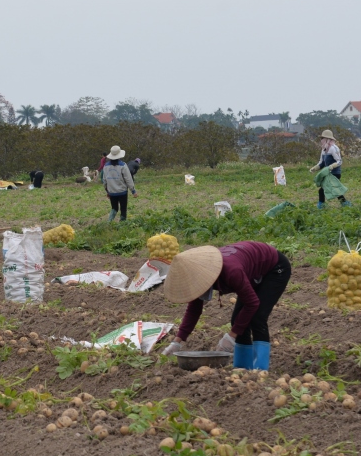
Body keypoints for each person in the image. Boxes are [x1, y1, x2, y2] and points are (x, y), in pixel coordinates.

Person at [160, 242, 292, 371]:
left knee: (257, 317)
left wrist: (231, 337)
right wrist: (177, 342)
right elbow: (194, 310)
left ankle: (260, 370)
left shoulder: (231, 272)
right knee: (237, 320)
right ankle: (242, 367)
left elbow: (252, 303)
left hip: (275, 268)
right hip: (251, 270)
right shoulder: (199, 278)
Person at [309, 130, 350, 208]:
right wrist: (314, 168)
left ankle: (321, 205)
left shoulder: (334, 148)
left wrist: (332, 166)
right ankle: (345, 204)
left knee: (325, 190)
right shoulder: (324, 149)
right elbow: (322, 163)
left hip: (335, 173)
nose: (321, 140)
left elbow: (339, 161)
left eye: (323, 138)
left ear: (328, 139)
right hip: (328, 173)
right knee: (335, 190)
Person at [100, 146, 137, 221]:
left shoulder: (106, 166)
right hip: (122, 191)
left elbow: (104, 180)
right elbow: (128, 179)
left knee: (114, 208)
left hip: (112, 192)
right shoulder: (123, 165)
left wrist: (107, 191)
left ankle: (109, 222)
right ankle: (122, 224)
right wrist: (133, 190)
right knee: (123, 209)